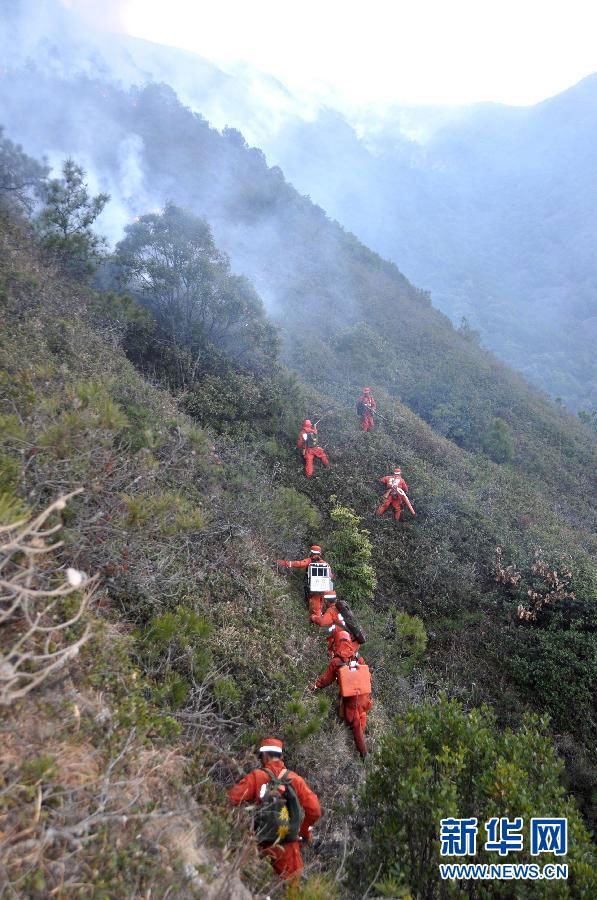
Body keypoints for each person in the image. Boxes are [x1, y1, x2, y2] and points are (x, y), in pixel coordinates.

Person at [228, 737, 321, 881]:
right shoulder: (295, 779)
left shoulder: (256, 776)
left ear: (264, 756)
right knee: (292, 891)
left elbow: (232, 798)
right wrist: (303, 831)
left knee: (256, 885)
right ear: (282, 757)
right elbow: (315, 811)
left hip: (259, 843)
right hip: (288, 846)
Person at [309, 630, 373, 758]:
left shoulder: (336, 661)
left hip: (352, 697)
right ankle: (363, 731)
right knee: (360, 714)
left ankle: (364, 754)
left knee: (353, 722)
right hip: (364, 695)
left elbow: (326, 680)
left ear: (337, 642)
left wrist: (315, 686)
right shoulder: (358, 657)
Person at [275, 545, 334, 617]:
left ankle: (315, 622)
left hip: (313, 589)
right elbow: (330, 576)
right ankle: (318, 620)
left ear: (311, 552)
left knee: (314, 608)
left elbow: (298, 564)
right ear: (320, 553)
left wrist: (283, 563)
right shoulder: (325, 564)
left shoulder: (309, 561)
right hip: (323, 590)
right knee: (320, 606)